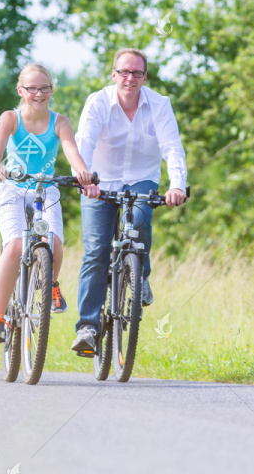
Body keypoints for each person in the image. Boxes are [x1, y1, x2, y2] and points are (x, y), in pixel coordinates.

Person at [71, 48, 187, 353]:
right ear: (113, 74)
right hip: (99, 182)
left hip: (142, 180)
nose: (130, 78)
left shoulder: (160, 105)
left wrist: (177, 185)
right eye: (124, 71)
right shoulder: (98, 102)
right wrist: (83, 178)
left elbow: (172, 147)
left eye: (137, 72)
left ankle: (140, 275)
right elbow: (83, 142)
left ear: (145, 77)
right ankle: (87, 327)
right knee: (96, 251)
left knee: (139, 222)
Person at [0, 64, 99, 340]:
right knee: (15, 246)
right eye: (32, 88)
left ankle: (51, 285)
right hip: (12, 188)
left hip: (46, 188)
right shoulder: (10, 118)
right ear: (21, 91)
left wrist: (81, 171)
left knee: (54, 241)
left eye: (44, 88)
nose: (38, 93)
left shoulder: (60, 122)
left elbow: (71, 150)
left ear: (51, 90)